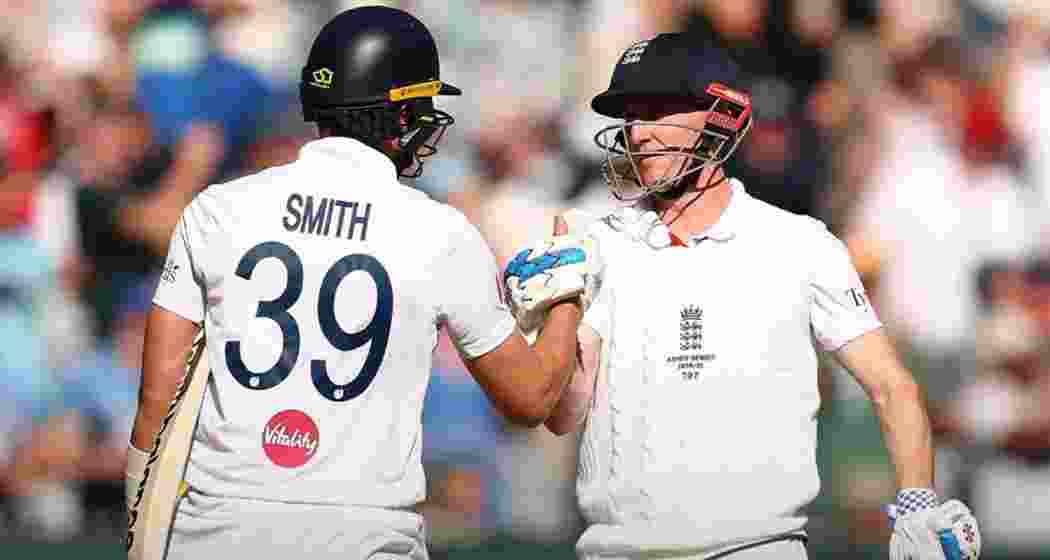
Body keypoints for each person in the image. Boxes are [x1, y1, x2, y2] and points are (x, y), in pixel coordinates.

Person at [126, 7, 593, 559]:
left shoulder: (217, 209)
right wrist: (566, 291)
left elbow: (157, 399)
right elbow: (530, 398)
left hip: (216, 533)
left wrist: (141, 529)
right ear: (401, 114)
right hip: (361, 537)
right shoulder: (440, 232)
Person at [511, 33, 982, 560]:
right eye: (631, 115)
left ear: (721, 117)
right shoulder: (597, 245)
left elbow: (893, 387)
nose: (639, 132)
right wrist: (561, 309)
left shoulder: (800, 245)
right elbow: (564, 416)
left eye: (659, 110)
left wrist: (917, 504)